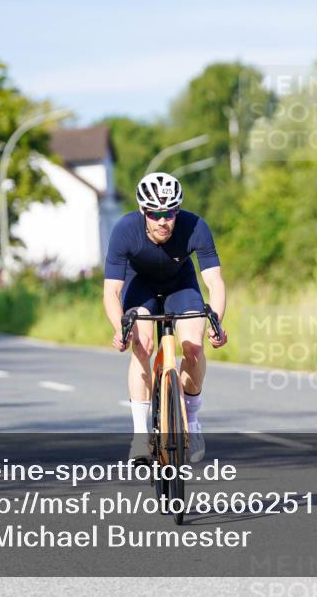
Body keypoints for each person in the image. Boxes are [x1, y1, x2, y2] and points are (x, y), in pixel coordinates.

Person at [104, 172, 228, 463]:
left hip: (180, 285)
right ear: (143, 212)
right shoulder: (124, 230)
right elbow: (112, 290)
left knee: (194, 348)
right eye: (155, 213)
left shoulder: (195, 226)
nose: (163, 220)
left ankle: (193, 420)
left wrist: (217, 321)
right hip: (140, 287)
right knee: (143, 345)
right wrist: (119, 328)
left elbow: (215, 282)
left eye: (169, 212)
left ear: (178, 210)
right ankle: (139, 435)